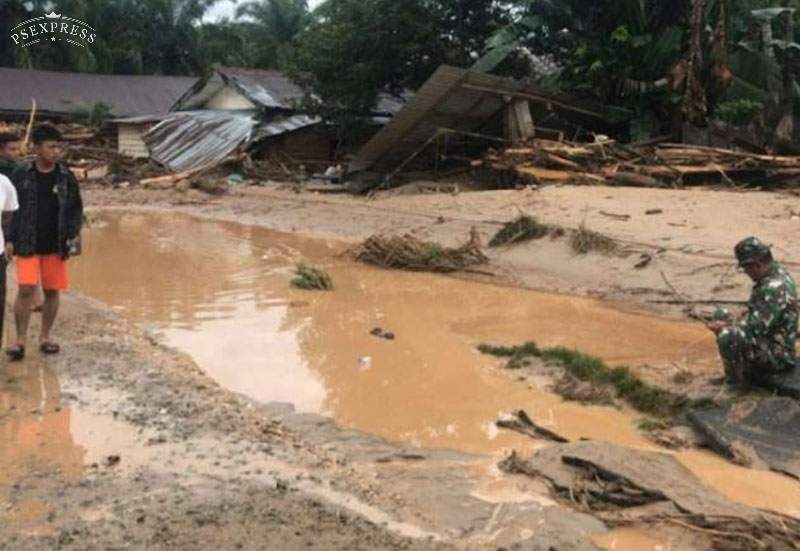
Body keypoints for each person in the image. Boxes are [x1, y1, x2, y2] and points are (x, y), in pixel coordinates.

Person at [6, 124, 83, 361]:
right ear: (37, 148)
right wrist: (9, 238)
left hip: (55, 244)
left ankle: (45, 337)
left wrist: (72, 237)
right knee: (26, 289)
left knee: (52, 291)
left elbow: (75, 209)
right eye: (51, 146)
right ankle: (20, 340)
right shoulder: (21, 174)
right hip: (27, 242)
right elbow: (9, 209)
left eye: (58, 147)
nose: (56, 151)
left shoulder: (65, 176)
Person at [709, 237, 798, 389]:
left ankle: (735, 386)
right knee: (721, 314)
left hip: (778, 355)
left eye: (745, 268)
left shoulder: (774, 287)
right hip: (766, 341)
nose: (746, 273)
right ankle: (738, 371)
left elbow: (756, 328)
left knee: (727, 335)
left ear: (755, 265)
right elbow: (764, 310)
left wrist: (727, 326)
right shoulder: (774, 273)